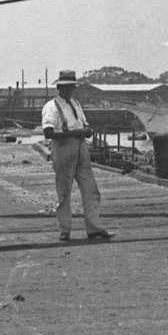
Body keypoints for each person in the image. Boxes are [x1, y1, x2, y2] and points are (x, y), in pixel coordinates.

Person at [40, 70, 112, 242]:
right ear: (59, 87)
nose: (70, 89)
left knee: (91, 190)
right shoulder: (51, 107)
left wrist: (86, 131)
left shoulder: (76, 104)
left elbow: (84, 123)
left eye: (72, 86)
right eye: (67, 87)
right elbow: (48, 132)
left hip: (81, 149)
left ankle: (94, 228)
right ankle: (65, 230)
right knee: (64, 193)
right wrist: (75, 132)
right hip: (64, 149)